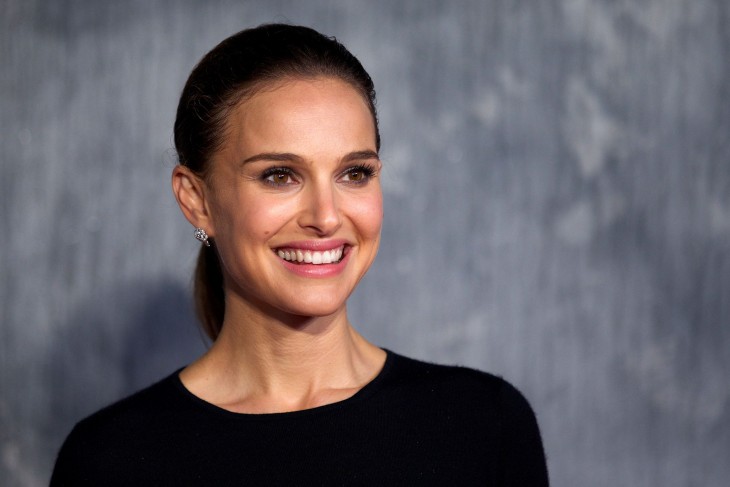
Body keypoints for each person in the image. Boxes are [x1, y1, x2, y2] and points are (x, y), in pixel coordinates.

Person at [50, 24, 549, 486]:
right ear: (196, 201)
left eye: (354, 173)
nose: (326, 216)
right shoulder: (109, 459)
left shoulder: (484, 424)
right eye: (279, 175)